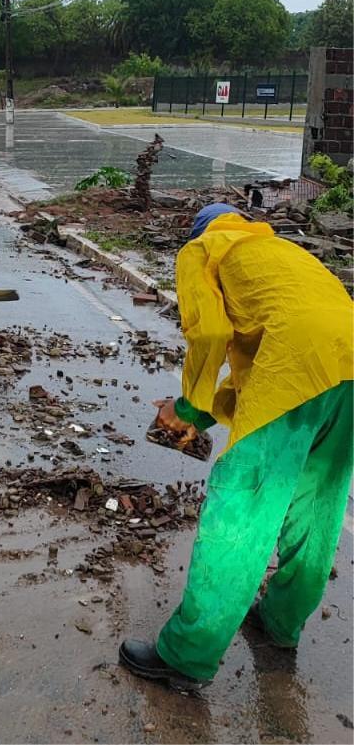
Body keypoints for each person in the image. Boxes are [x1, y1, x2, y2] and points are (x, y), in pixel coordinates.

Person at [119, 203, 353, 691]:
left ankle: (187, 657)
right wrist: (199, 413)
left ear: (198, 231)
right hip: (347, 362)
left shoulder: (203, 250)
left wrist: (183, 410)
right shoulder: (278, 251)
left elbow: (208, 334)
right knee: (317, 508)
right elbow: (255, 377)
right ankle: (281, 623)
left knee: (241, 512)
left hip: (296, 364)